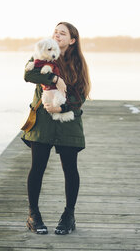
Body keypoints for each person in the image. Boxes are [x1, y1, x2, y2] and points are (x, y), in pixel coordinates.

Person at [21, 22, 91, 235]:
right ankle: (34, 215)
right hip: (42, 120)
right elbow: (28, 74)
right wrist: (54, 77)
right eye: (55, 32)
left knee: (70, 169)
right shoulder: (42, 52)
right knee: (38, 167)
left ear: (72, 40)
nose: (57, 35)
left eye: (63, 33)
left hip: (68, 121)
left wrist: (62, 106)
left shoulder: (78, 63)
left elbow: (80, 94)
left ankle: (69, 216)